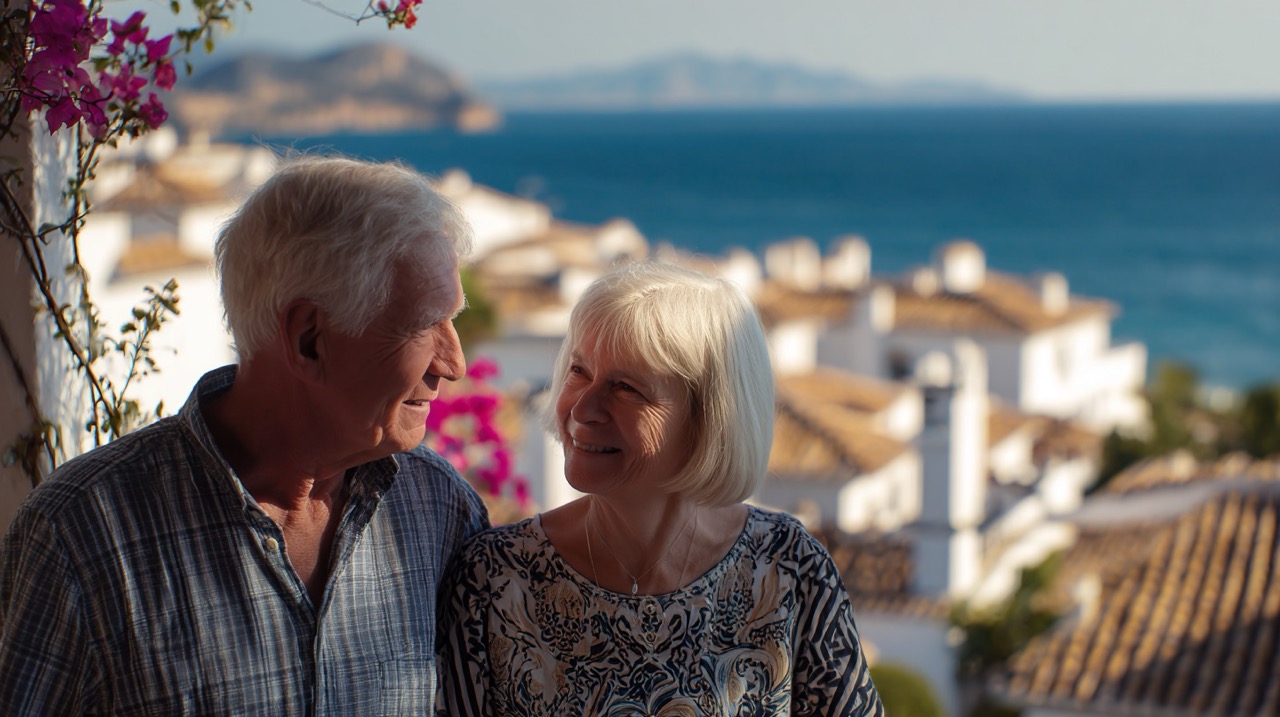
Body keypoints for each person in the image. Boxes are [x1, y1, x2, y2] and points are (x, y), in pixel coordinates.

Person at [0, 156, 489, 715]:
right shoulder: (80, 536)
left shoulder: (438, 509)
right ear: (309, 339)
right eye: (426, 324)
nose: (454, 364)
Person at [437, 261, 884, 716]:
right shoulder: (494, 579)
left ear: (709, 418)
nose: (583, 408)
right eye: (579, 371)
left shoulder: (789, 568)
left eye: (627, 388)